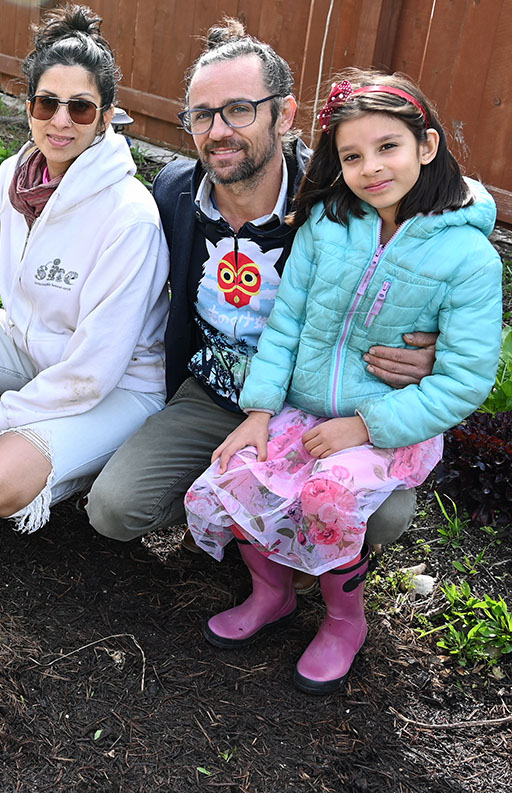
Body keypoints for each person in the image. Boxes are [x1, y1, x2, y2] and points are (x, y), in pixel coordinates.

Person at [184, 69, 502, 694]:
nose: (371, 168)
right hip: (306, 413)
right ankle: (271, 593)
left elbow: (466, 379)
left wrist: (365, 425)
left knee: (327, 497)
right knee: (233, 474)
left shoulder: (468, 257)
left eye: (389, 148)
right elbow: (286, 324)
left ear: (428, 147)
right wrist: (259, 411)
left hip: (388, 426)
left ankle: (342, 620)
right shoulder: (328, 228)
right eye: (353, 155)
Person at [86, 20, 438, 562]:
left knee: (383, 514)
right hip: (213, 392)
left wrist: (426, 349)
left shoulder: (340, 207)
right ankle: (235, 512)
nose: (219, 130)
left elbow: (415, 283)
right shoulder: (174, 193)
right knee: (114, 508)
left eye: (239, 109)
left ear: (286, 115)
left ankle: (282, 533)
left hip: (313, 405)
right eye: (202, 115)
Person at [0, 4, 169, 534]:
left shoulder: (129, 216)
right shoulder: (19, 176)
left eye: (81, 109)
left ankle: (51, 459)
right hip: (35, 353)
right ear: (30, 107)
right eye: (48, 103)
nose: (61, 121)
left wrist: (0, 416)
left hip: (115, 387)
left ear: (107, 117)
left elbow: (93, 371)